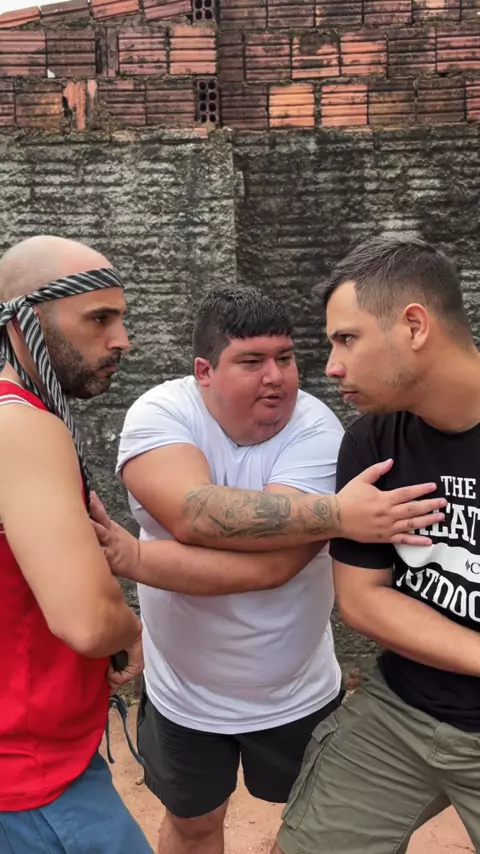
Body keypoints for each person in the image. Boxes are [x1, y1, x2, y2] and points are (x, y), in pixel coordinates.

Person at [91, 286, 445, 854]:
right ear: (204, 372)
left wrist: (135, 558)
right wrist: (337, 514)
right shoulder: (160, 413)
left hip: (297, 692)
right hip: (183, 696)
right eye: (252, 361)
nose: (276, 377)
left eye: (285, 357)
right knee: (193, 826)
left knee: (317, 834)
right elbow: (192, 514)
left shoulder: (318, 428)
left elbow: (275, 565)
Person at [273, 234, 480, 854]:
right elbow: (362, 599)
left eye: (347, 339)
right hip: (402, 710)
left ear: (414, 326)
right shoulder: (373, 442)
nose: (332, 366)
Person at [0, 235, 153, 853]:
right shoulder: (19, 426)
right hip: (31, 776)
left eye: (120, 318)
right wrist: (130, 630)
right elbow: (88, 623)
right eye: (99, 318)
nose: (122, 339)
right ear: (22, 322)